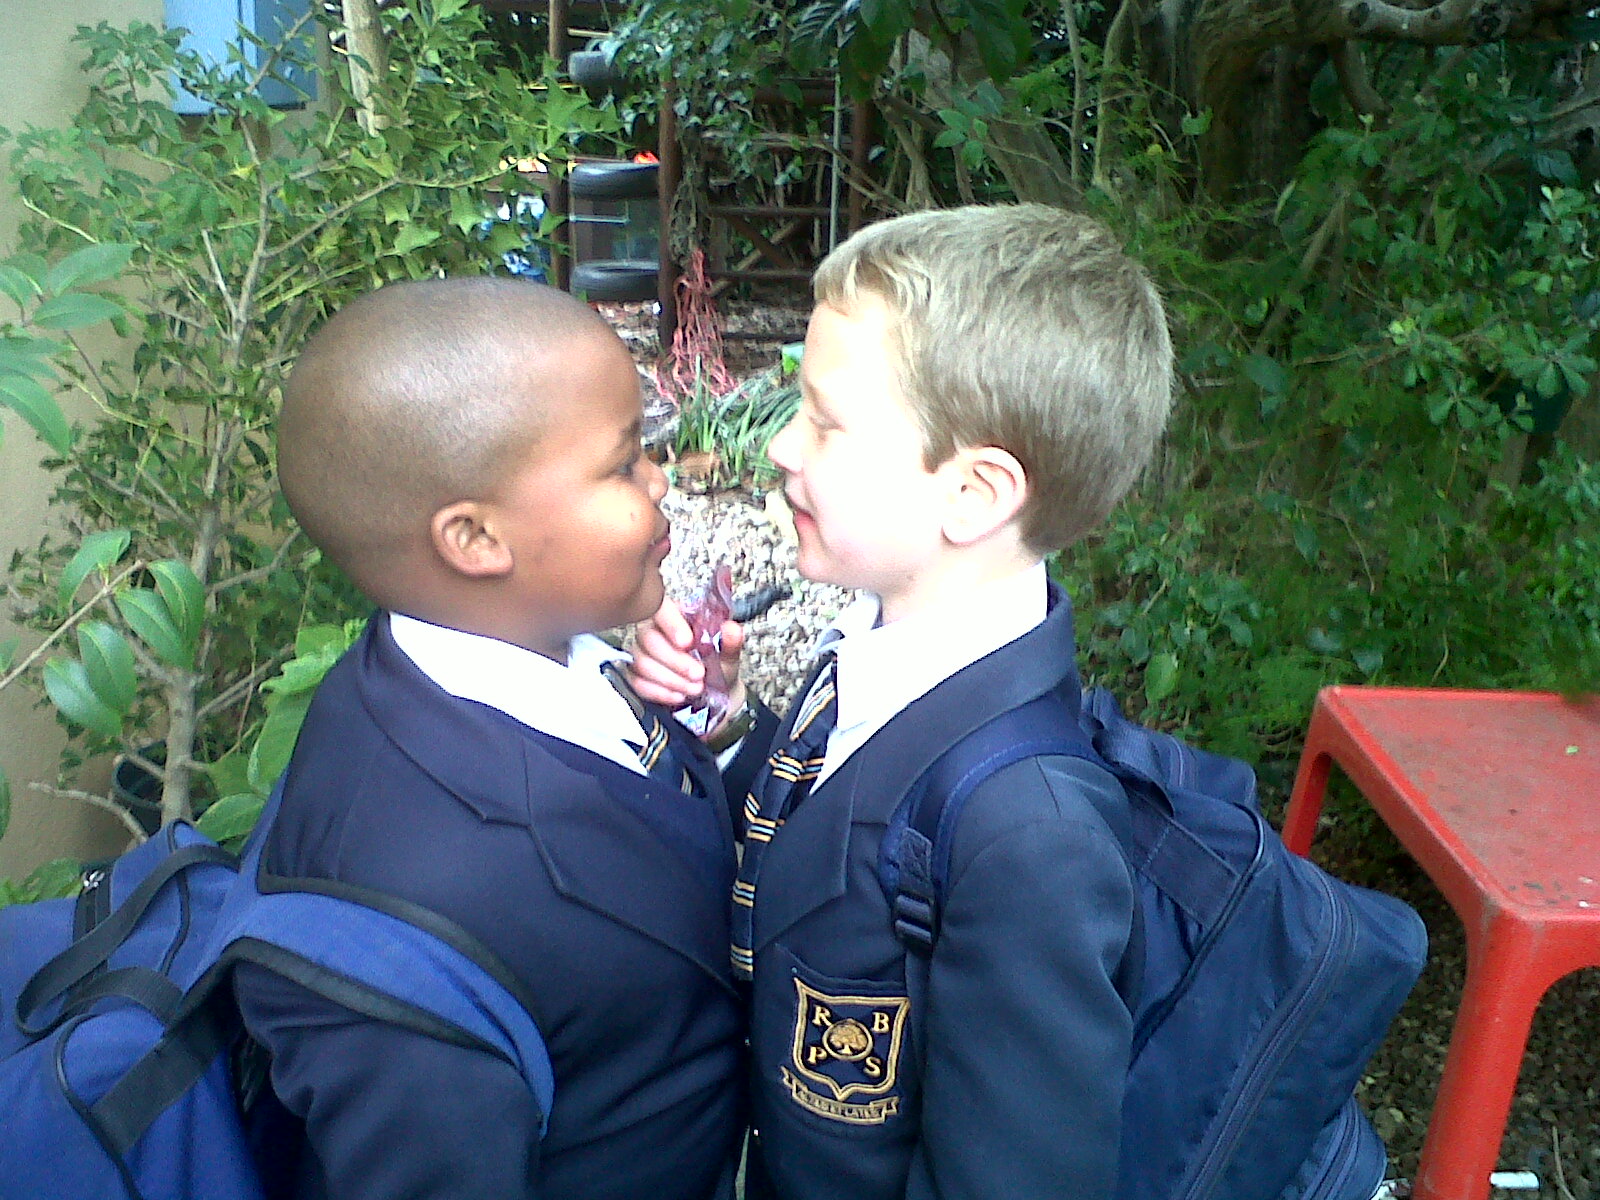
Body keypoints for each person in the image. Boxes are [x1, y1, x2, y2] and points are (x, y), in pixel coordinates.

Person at [627, 204, 1173, 1200]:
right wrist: (732, 723)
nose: (781, 447)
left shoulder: (1030, 839)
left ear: (973, 495)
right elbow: (813, 836)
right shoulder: (880, 652)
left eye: (825, 422)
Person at [236, 276, 766, 1200]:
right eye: (624, 464)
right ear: (476, 539)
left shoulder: (535, 649)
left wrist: (702, 724)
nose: (661, 480)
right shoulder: (406, 928)